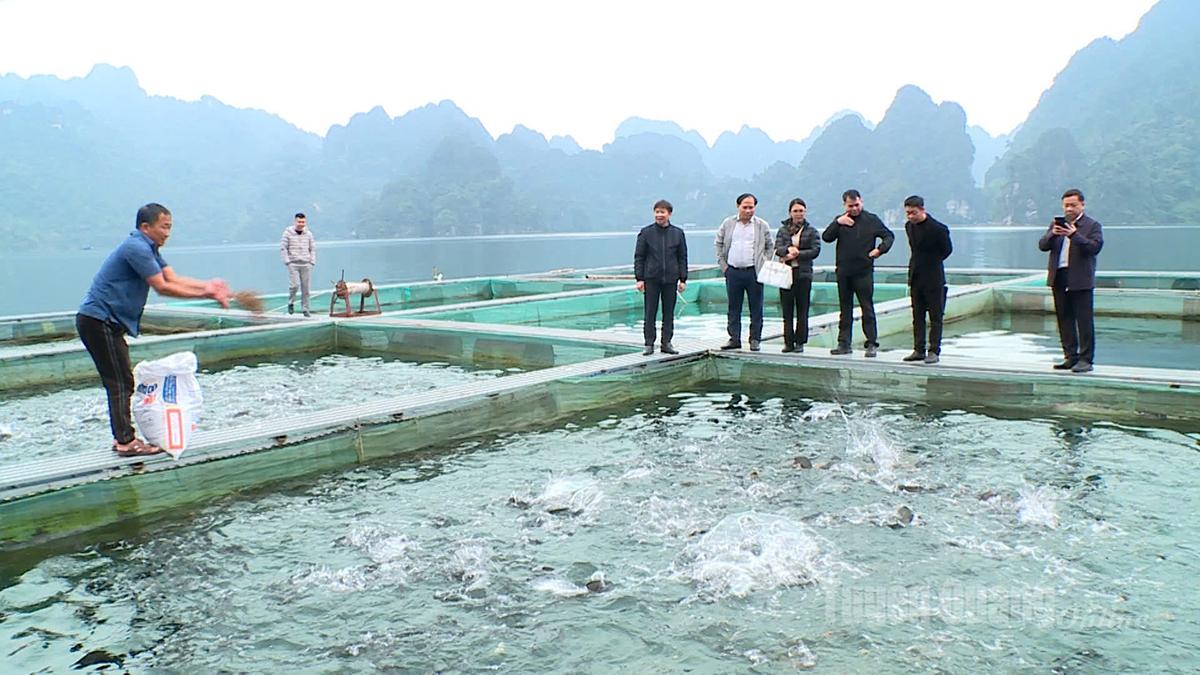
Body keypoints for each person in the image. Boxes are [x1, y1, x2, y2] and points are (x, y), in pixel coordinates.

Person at [76, 203, 231, 456]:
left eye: (170, 227)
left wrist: (208, 287)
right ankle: (125, 442)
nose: (167, 233)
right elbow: (162, 287)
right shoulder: (136, 248)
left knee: (122, 379)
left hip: (105, 323)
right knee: (119, 381)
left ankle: (124, 438)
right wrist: (206, 292)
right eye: (164, 227)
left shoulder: (150, 249)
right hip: (98, 320)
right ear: (145, 227)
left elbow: (173, 278)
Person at [822, 189, 894, 357]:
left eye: (857, 205)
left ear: (861, 202)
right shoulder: (840, 220)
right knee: (844, 309)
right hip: (844, 271)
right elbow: (826, 237)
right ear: (844, 205)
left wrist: (880, 250)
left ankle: (871, 343)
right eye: (850, 206)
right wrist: (838, 222)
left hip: (864, 271)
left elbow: (888, 236)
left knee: (867, 308)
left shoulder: (871, 220)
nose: (854, 209)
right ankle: (844, 343)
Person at [1038, 188, 1103, 373]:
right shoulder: (1056, 225)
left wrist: (1074, 235)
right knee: (1064, 318)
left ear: (1082, 204)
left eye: (1073, 205)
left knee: (1084, 320)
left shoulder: (1093, 226)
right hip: (1060, 277)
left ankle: (1086, 359)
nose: (1069, 209)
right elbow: (1042, 246)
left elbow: (1094, 248)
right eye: (1066, 205)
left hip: (1081, 278)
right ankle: (1070, 357)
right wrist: (1053, 233)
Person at [714, 193, 773, 351]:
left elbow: (769, 246)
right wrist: (724, 266)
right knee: (733, 307)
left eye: (751, 207)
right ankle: (734, 338)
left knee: (756, 307)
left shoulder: (761, 225)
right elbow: (718, 244)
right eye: (745, 207)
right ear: (738, 206)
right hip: (733, 271)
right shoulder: (728, 223)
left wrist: (764, 262)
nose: (748, 210)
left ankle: (755, 339)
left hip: (754, 272)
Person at [901, 195, 953, 364]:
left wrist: (931, 261)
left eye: (913, 213)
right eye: (907, 213)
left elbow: (946, 251)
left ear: (922, 210)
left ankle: (934, 350)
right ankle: (918, 349)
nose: (910, 217)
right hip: (916, 276)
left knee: (936, 316)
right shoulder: (909, 227)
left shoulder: (938, 229)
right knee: (917, 316)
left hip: (934, 276)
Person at [634, 199, 688, 355]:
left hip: (671, 279)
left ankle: (666, 343)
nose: (659, 215)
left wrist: (683, 279)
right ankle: (649, 344)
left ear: (669, 214)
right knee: (650, 312)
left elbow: (682, 257)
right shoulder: (646, 233)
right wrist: (639, 279)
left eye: (662, 212)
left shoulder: (678, 233)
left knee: (668, 312)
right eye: (657, 212)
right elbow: (639, 256)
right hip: (651, 279)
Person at [773, 198, 821, 353]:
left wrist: (798, 253)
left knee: (802, 309)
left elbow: (815, 250)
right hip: (786, 274)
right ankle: (788, 342)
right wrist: (787, 251)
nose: (798, 214)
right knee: (787, 310)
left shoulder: (811, 231)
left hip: (803, 274)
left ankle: (800, 342)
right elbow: (778, 247)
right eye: (795, 211)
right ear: (790, 213)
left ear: (805, 212)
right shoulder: (783, 230)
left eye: (801, 210)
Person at [281, 212, 316, 317]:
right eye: (299, 221)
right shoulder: (287, 233)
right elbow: (283, 248)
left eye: (303, 222)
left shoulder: (308, 234)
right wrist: (287, 261)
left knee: (306, 288)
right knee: (295, 285)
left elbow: (312, 248)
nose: (301, 224)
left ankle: (305, 309)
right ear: (295, 221)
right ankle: (291, 302)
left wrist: (312, 261)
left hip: (306, 263)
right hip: (293, 264)